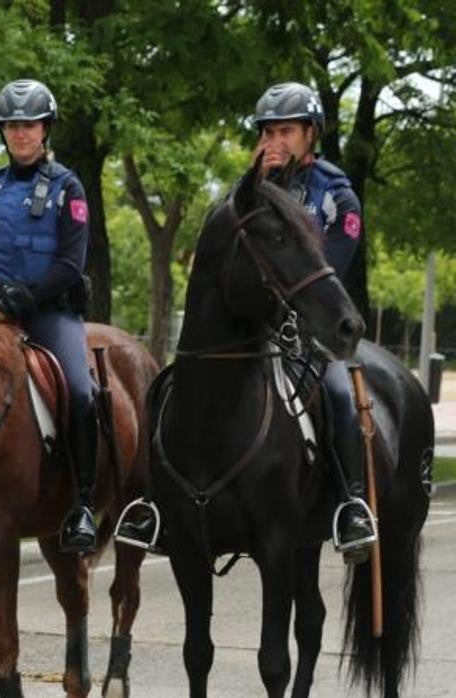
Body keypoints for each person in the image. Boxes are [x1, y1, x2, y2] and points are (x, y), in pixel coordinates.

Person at [116, 81, 377, 561]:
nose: (276, 142)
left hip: (312, 329)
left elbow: (327, 269)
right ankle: (152, 505)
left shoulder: (337, 197)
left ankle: (349, 503)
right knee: (169, 390)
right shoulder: (248, 194)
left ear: (311, 134)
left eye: (287, 132)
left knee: (340, 394)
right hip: (250, 330)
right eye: (269, 132)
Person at [0, 78, 98, 554]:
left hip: (50, 314)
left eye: (29, 125)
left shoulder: (67, 187)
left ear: (45, 129)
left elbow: (71, 263)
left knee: (80, 392)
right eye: (13, 126)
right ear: (3, 131)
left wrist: (30, 299)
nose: (21, 134)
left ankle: (81, 505)